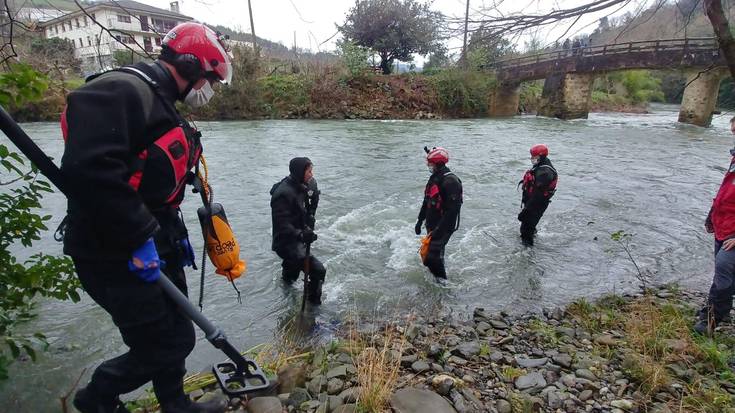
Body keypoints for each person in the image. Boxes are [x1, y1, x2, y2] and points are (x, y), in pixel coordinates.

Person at [60, 22, 232, 413]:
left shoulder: (161, 98)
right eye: (210, 80)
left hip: (158, 239)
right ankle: (97, 398)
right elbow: (90, 172)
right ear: (190, 66)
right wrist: (139, 237)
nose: (211, 90)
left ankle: (175, 404)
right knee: (160, 343)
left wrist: (160, 237)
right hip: (112, 250)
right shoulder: (117, 91)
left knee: (180, 334)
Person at [696, 116, 735, 335]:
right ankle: (720, 309)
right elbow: (727, 192)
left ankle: (712, 319)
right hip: (724, 224)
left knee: (723, 269)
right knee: (724, 272)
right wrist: (712, 215)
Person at [270, 157, 326, 305]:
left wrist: (311, 215)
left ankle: (286, 288)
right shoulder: (283, 194)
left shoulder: (303, 185)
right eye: (309, 171)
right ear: (299, 172)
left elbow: (309, 208)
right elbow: (282, 225)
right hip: (286, 243)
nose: (311, 174)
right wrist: (300, 234)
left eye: (311, 171)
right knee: (319, 270)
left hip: (298, 239)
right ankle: (313, 309)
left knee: (291, 274)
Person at [415, 147, 463, 280]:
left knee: (431, 256)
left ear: (438, 164)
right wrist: (420, 220)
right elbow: (427, 201)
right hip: (433, 224)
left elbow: (452, 212)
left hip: (444, 226)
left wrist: (437, 231)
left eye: (430, 163)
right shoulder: (434, 179)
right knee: (432, 256)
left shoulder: (451, 182)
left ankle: (443, 284)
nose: (428, 166)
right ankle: (437, 278)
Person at [518, 144, 558, 246]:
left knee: (525, 231)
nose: (531, 158)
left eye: (534, 156)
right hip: (532, 201)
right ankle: (533, 237)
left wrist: (526, 210)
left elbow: (538, 195)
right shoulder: (540, 165)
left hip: (537, 203)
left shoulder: (545, 172)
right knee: (528, 227)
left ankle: (527, 255)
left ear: (542, 156)